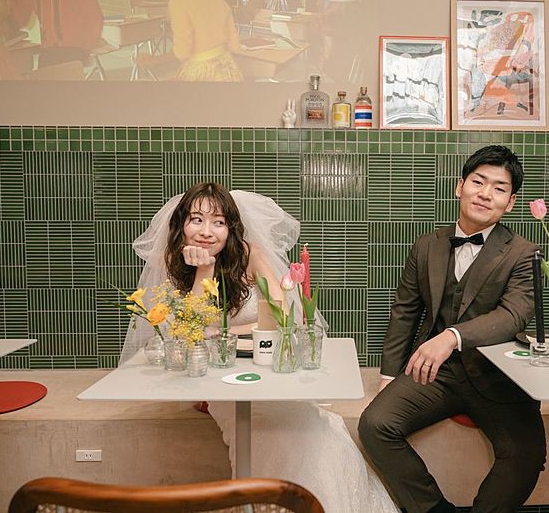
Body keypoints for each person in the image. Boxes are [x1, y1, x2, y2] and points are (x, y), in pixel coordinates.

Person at [120, 182, 397, 513]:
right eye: (197, 220)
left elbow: (284, 315)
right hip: (215, 380)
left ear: (230, 228)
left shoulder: (250, 255)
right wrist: (204, 270)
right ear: (182, 224)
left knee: (314, 434)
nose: (207, 231)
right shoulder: (173, 261)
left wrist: (222, 333)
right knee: (264, 434)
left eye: (218, 222)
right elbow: (188, 336)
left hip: (264, 369)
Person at [359, 145, 546, 513]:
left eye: (499, 188)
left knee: (527, 454)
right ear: (460, 186)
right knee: (375, 425)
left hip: (499, 376)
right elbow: (405, 312)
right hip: (436, 374)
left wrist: (452, 336)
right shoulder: (426, 246)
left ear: (510, 203)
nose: (485, 193)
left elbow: (514, 315)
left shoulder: (524, 253)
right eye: (478, 182)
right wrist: (388, 376)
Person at [139, 0, 243, 82]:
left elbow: (183, 52)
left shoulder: (178, 1)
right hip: (227, 71)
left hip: (201, 73)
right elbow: (235, 46)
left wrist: (155, 60)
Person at [6, 0, 103, 67]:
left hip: (73, 49)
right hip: (48, 51)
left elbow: (94, 15)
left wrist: (86, 47)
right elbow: (22, 20)